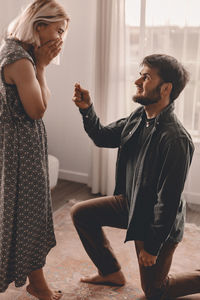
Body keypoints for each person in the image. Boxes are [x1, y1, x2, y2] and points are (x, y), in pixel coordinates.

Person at [71, 54, 199, 299]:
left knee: (154, 291)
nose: (137, 81)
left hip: (156, 221)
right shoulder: (139, 117)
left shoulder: (175, 139)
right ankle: (110, 272)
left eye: (146, 76)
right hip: (131, 204)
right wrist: (87, 110)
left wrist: (152, 247)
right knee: (81, 213)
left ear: (166, 88)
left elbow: (168, 201)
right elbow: (102, 136)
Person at [0, 0, 69, 299]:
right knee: (26, 214)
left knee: (32, 213)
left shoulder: (24, 54)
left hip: (26, 142)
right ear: (39, 26)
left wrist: (40, 66)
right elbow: (38, 109)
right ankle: (37, 284)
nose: (61, 39)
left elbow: (45, 97)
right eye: (59, 30)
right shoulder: (20, 59)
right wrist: (40, 65)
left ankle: (37, 283)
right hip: (19, 148)